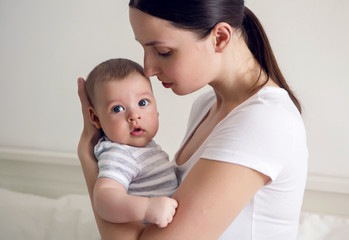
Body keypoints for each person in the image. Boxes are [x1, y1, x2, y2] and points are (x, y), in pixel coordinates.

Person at [77, 0, 308, 239]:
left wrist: (88, 155)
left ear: (219, 38)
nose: (148, 69)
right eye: (144, 48)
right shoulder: (206, 105)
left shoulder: (263, 120)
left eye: (163, 51)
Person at [84, 58, 178, 228]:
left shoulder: (143, 149)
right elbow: (105, 198)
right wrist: (147, 208)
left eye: (142, 103)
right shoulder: (119, 153)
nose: (134, 115)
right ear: (96, 118)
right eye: (117, 109)